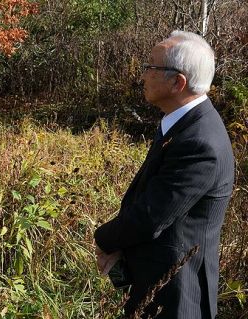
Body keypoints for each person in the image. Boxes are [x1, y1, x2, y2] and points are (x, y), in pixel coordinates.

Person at [94, 31, 234, 318]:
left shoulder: (200, 141)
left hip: (178, 297)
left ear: (177, 82)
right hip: (158, 285)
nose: (142, 75)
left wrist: (103, 238)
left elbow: (150, 217)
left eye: (151, 67)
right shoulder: (184, 125)